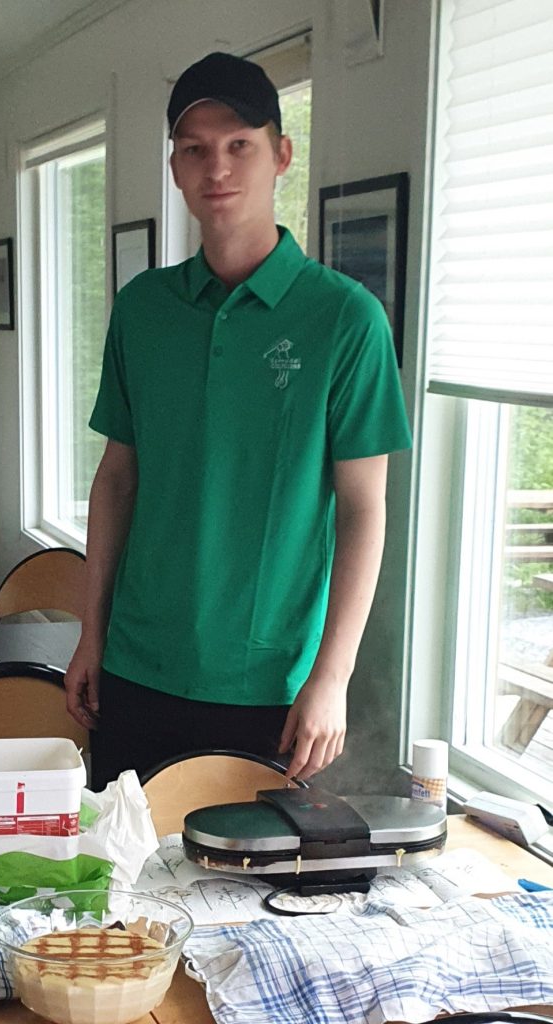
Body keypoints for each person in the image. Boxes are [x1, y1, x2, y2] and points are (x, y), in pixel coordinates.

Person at [65, 52, 411, 787]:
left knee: (251, 863)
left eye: (239, 145)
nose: (216, 168)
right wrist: (91, 635)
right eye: (194, 149)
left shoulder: (345, 319)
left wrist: (332, 676)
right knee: (120, 858)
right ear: (174, 167)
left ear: (281, 155)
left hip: (270, 680)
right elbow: (117, 480)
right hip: (136, 664)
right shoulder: (142, 309)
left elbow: (363, 509)